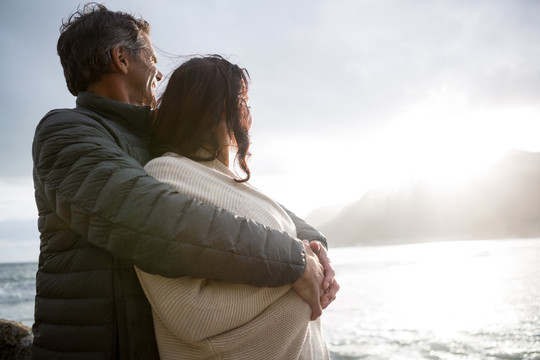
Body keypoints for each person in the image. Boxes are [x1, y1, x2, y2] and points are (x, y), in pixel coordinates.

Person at [31, 3, 339, 359]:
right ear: (121, 58)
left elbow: (237, 196)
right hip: (92, 349)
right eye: (150, 55)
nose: (159, 73)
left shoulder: (156, 141)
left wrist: (314, 245)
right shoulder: (66, 133)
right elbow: (150, 217)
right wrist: (293, 259)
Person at [136, 55, 330, 359]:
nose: (248, 115)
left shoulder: (227, 179)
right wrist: (297, 275)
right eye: (242, 101)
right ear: (212, 106)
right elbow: (188, 310)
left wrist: (317, 258)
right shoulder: (166, 176)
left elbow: (274, 244)